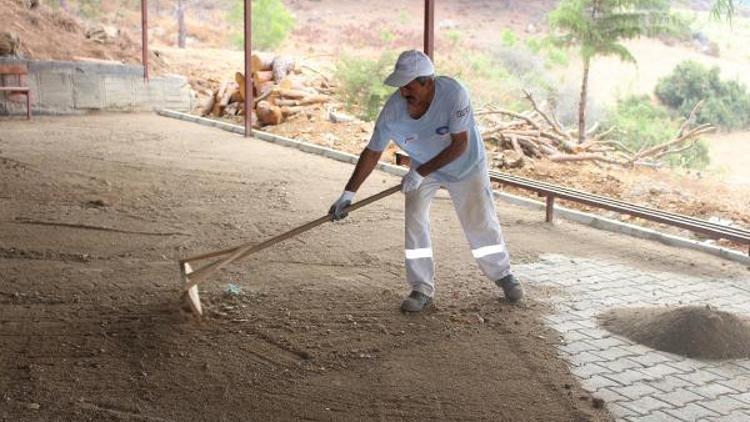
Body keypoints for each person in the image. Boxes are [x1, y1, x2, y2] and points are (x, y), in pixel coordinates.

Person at [328, 49, 523, 312]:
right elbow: (373, 151)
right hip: (426, 166)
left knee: (480, 221)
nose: (403, 93)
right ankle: (421, 288)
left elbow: (460, 145)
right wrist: (348, 193)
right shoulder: (393, 112)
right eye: (401, 87)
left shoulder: (454, 94)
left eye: (409, 87)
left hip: (466, 164)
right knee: (415, 220)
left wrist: (419, 173)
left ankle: (502, 274)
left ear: (428, 82)